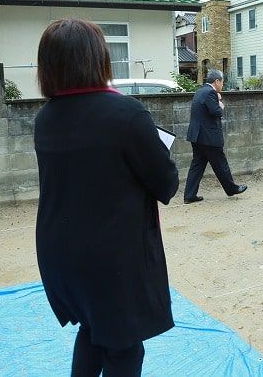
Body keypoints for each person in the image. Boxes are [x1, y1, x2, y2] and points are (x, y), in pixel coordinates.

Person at [34, 19, 179, 376]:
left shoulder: (45, 118)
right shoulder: (126, 114)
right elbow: (166, 184)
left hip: (60, 252)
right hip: (110, 256)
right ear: (98, 59)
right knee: (125, 348)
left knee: (93, 330)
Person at [183, 69, 247, 203]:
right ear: (216, 81)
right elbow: (215, 112)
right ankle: (231, 189)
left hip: (196, 136)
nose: (222, 85)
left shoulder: (200, 91)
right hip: (209, 137)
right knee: (220, 164)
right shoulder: (211, 92)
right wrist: (220, 104)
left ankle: (189, 195)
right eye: (222, 82)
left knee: (197, 165)